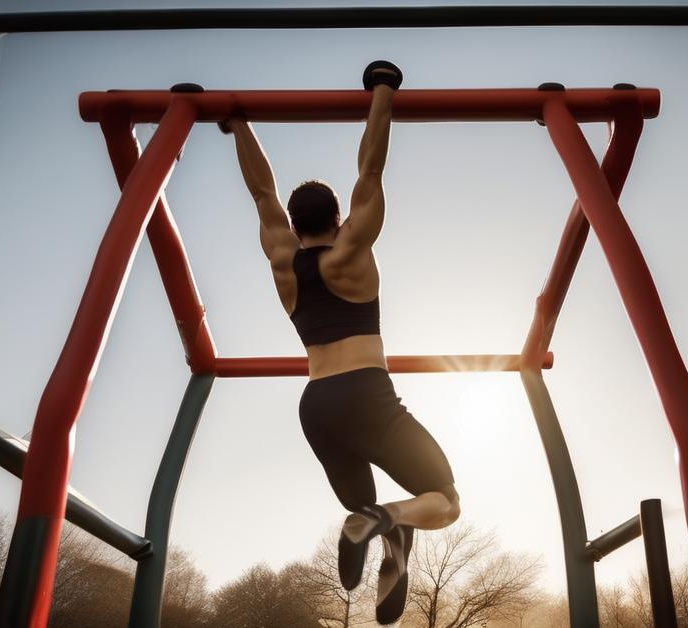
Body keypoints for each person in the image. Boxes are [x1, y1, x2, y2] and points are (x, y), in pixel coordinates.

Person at [220, 61, 460, 624]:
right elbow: (370, 167)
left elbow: (261, 192)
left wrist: (239, 124)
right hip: (366, 396)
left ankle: (386, 537)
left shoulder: (282, 258)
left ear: (294, 223)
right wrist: (382, 90)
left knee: (370, 502)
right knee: (444, 500)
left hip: (317, 407)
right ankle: (380, 522)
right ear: (338, 216)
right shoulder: (352, 250)